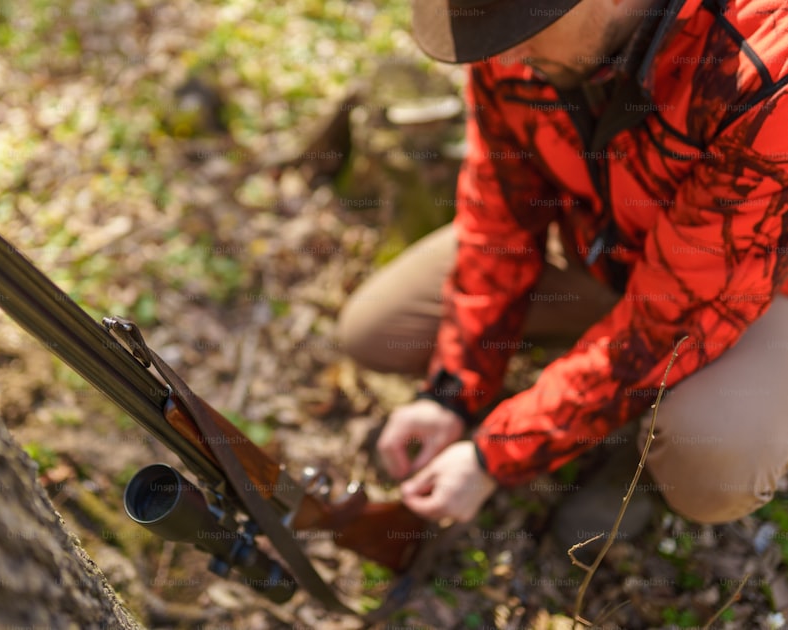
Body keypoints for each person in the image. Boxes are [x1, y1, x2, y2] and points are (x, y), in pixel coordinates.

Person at [338, 0, 788, 531]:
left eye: (521, 27)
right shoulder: (516, 45)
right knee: (376, 331)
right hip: (607, 253)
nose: (506, 56)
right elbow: (499, 220)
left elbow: (673, 319)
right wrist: (452, 394)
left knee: (713, 462)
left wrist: (495, 454)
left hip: (754, 294)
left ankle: (651, 457)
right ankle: (600, 385)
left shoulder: (763, 71)